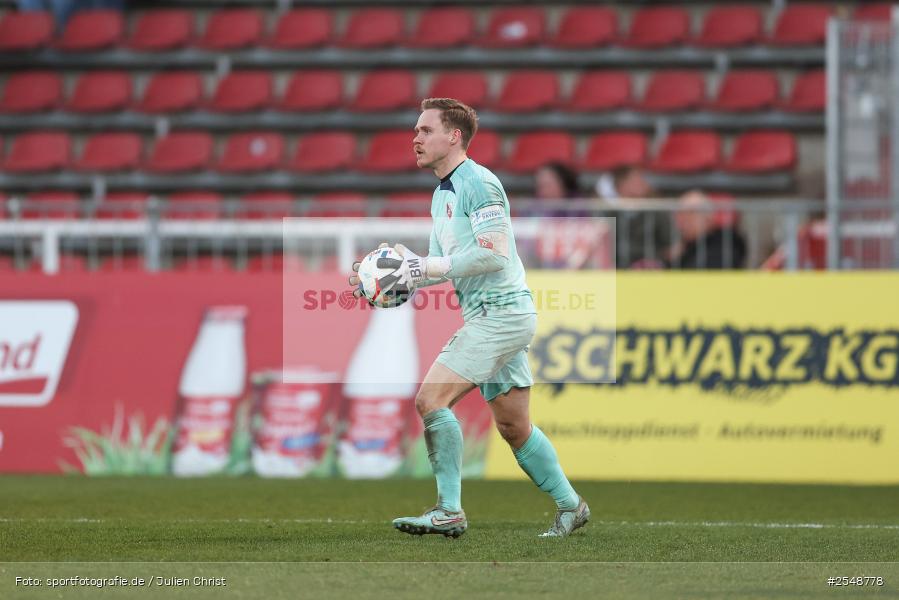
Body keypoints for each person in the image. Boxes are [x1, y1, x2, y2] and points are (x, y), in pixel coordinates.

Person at [348, 98, 589, 538]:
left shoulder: (478, 183)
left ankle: (449, 511)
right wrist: (387, 278)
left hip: (500, 316)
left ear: (453, 136)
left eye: (425, 130)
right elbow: (441, 266)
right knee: (515, 428)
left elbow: (492, 254)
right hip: (499, 317)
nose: (415, 138)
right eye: (416, 131)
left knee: (430, 400)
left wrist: (420, 267)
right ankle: (571, 506)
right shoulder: (443, 195)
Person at [597, 166, 672, 269]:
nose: (641, 184)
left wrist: (656, 261)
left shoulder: (656, 211)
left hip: (648, 271)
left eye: (641, 180)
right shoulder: (607, 213)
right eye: (634, 181)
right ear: (620, 186)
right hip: (616, 270)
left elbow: (671, 246)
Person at [667, 190, 747, 269]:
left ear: (708, 218)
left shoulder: (723, 247)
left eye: (691, 214)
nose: (683, 221)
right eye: (680, 214)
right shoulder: (686, 247)